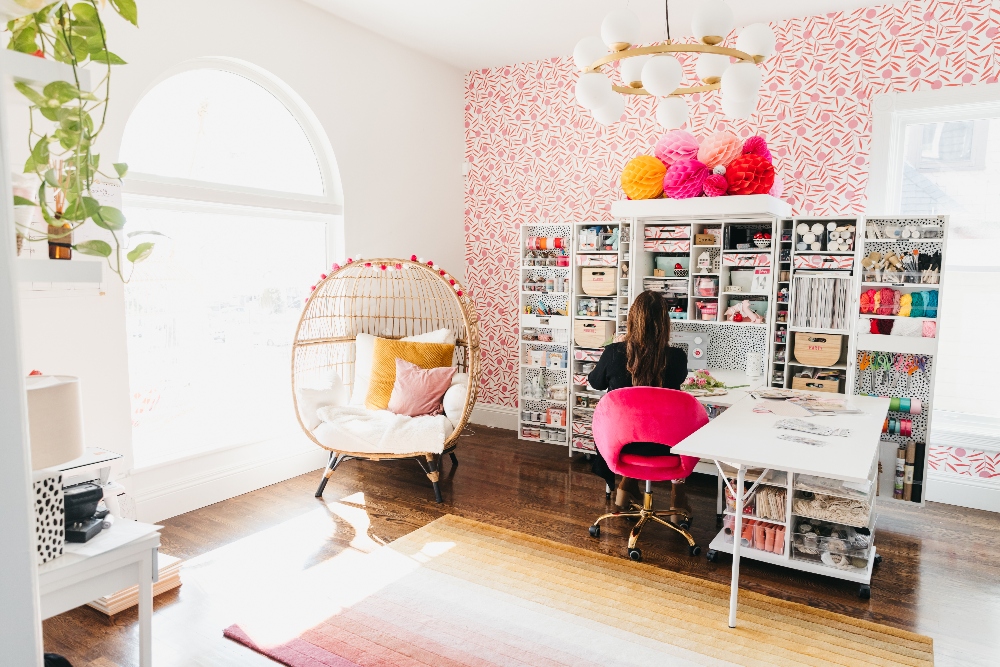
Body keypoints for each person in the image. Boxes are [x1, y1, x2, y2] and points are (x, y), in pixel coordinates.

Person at [588, 290, 690, 514]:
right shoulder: (677, 357)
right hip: (666, 446)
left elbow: (595, 383)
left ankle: (625, 489)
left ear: (632, 320)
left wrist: (616, 351)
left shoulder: (614, 353)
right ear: (665, 322)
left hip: (622, 444)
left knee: (630, 425)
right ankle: (677, 498)